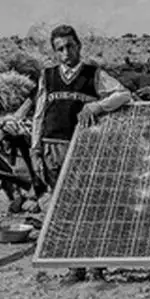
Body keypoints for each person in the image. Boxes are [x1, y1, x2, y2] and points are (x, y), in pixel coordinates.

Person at [26, 24, 133, 283]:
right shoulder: (47, 76)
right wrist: (35, 147)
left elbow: (123, 94)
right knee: (64, 208)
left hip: (84, 149)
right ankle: (74, 266)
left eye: (70, 46)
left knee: (90, 206)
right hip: (53, 146)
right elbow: (39, 113)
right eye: (60, 48)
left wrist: (96, 106)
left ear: (79, 46)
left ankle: (96, 266)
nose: (66, 52)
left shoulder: (93, 74)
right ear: (54, 52)